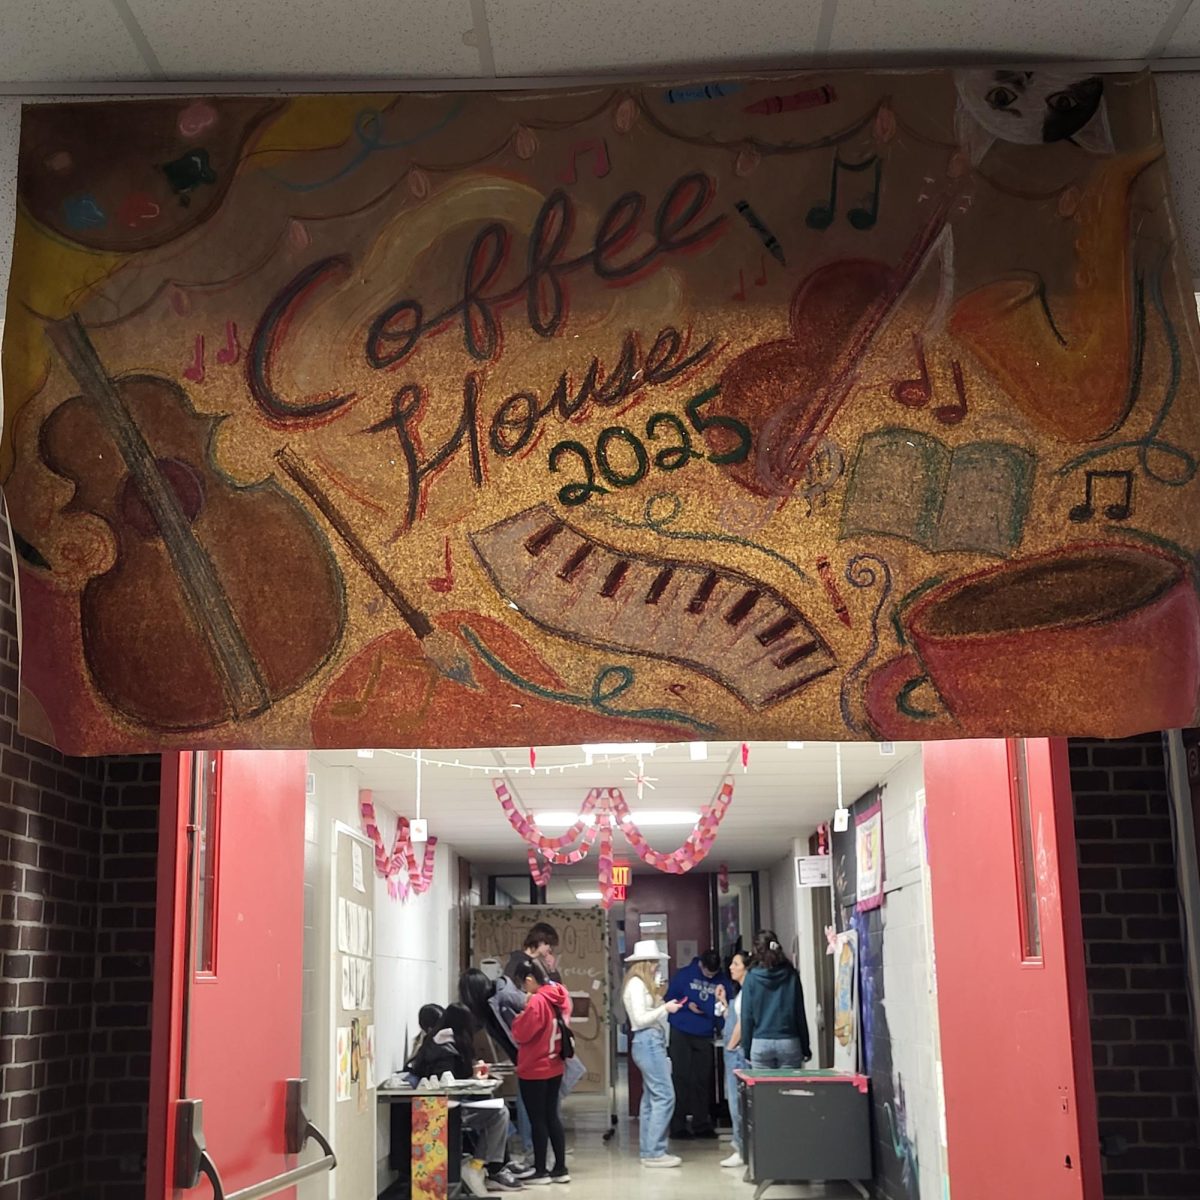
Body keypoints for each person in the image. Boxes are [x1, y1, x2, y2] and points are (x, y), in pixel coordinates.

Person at [407, 1004, 526, 1195]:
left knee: (497, 1109)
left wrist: (471, 1074)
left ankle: (489, 1166)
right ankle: (480, 1166)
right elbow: (447, 1084)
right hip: (446, 1110)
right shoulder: (445, 1047)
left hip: (447, 1105)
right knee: (499, 1114)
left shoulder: (440, 1043)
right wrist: (472, 1080)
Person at [621, 940, 685, 1169]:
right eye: (655, 963)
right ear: (646, 963)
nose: (657, 967)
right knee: (665, 1095)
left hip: (647, 1042)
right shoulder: (637, 985)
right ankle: (655, 1151)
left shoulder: (638, 984)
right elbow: (639, 1020)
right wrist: (664, 1008)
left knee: (651, 1097)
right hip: (648, 1041)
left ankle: (649, 1150)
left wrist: (659, 1002)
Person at [511, 957, 572, 1185]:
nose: (522, 989)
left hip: (534, 1068)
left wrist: (520, 1016)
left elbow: (522, 1033)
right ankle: (560, 1167)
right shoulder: (558, 993)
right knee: (552, 1116)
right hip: (555, 1064)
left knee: (537, 1119)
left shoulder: (537, 1001)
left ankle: (540, 1170)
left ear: (529, 980)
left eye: (522, 984)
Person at [664, 948, 730, 1139]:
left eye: (713, 974)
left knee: (702, 1079)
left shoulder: (721, 979)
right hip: (681, 1030)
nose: (710, 976)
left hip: (704, 1033)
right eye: (707, 973)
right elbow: (669, 998)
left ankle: (701, 1123)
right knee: (681, 1078)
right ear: (700, 964)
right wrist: (687, 1005)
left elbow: (726, 1004)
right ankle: (678, 1125)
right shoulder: (685, 975)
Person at [739, 930, 813, 1070]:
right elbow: (799, 1013)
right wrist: (805, 1046)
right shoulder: (791, 974)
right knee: (788, 1091)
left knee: (764, 1092)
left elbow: (746, 1016)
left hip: (760, 1042)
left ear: (756, 950)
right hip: (789, 1042)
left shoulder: (751, 977)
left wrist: (747, 1048)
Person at [715, 950, 751, 1169]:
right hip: (734, 1051)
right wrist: (724, 1004)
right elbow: (735, 1017)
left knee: (737, 1104)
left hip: (736, 1053)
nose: (731, 967)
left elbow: (743, 1023)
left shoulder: (747, 992)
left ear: (745, 968)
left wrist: (730, 1046)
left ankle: (740, 1148)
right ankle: (741, 1146)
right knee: (735, 1102)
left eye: (735, 964)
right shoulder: (740, 993)